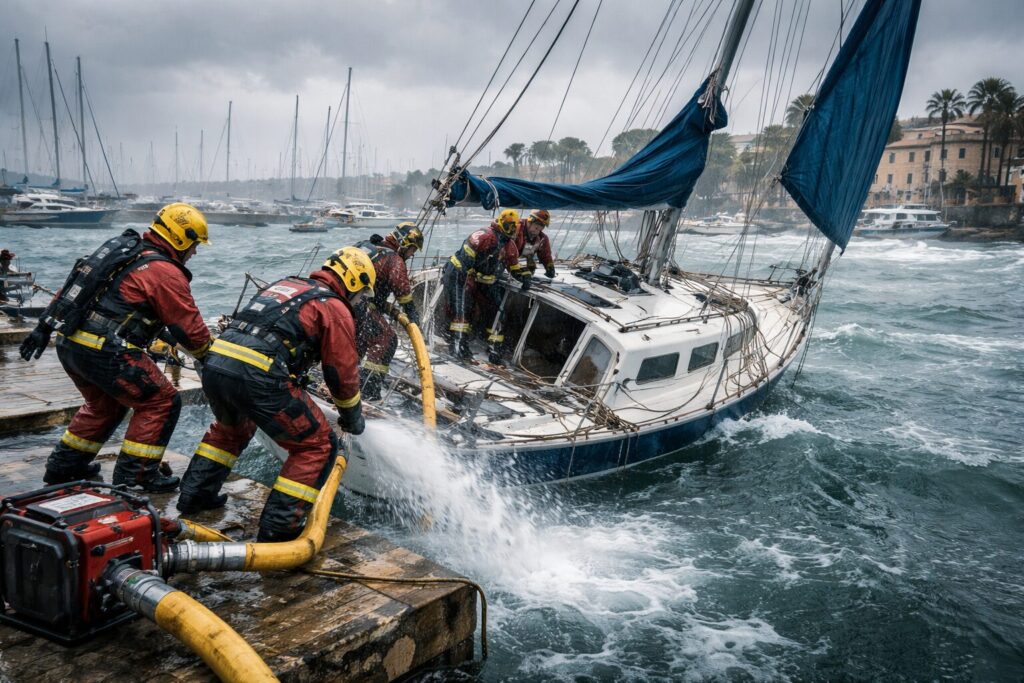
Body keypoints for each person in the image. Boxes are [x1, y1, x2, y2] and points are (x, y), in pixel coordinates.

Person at [176, 247, 373, 542]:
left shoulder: (286, 284)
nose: (359, 301)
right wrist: (352, 417)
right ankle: (279, 530)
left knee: (231, 430)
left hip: (216, 365)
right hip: (258, 375)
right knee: (317, 445)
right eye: (361, 295)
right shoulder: (334, 307)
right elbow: (341, 373)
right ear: (354, 281)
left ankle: (194, 497)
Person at [19, 203, 212, 491]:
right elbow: (191, 331)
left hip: (70, 344)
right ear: (180, 238)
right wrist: (212, 359)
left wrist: (43, 327)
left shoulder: (121, 254)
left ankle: (64, 467)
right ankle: (136, 478)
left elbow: (74, 286)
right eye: (194, 245)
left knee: (104, 406)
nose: (194, 253)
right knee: (161, 401)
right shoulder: (165, 273)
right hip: (107, 352)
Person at [441, 208, 529, 358]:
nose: (512, 231)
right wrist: (470, 277)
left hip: (481, 281)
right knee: (462, 308)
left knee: (497, 309)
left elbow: (514, 267)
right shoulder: (485, 236)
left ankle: (494, 348)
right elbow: (466, 260)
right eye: (509, 226)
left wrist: (524, 278)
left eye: (514, 227)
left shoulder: (509, 246)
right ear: (501, 224)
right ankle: (457, 345)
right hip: (459, 274)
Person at [355, 222, 424, 400]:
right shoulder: (394, 260)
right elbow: (403, 294)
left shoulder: (368, 245)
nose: (412, 255)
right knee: (387, 340)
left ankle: (349, 379)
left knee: (360, 340)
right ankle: (369, 390)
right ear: (403, 242)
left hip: (347, 303)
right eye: (412, 249)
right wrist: (413, 316)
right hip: (362, 306)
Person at [515, 209, 556, 279]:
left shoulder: (541, 238)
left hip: (522, 264)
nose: (537, 232)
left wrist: (549, 266)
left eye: (540, 230)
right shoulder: (515, 229)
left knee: (530, 266)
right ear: (529, 222)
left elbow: (545, 254)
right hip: (507, 262)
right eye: (536, 228)